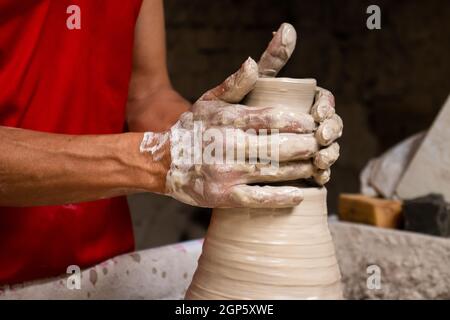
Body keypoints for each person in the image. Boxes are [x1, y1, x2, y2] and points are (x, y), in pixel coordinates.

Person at [0, 0, 342, 285]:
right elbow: (166, 154)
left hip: (100, 271)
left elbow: (147, 96)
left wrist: (229, 134)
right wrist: (165, 159)